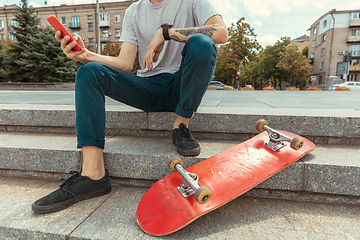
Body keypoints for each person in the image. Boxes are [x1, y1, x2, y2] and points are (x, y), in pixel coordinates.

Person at [32, 0, 228, 214]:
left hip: (181, 85)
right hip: (147, 87)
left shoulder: (192, 2)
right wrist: (86, 55)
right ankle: (93, 174)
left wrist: (166, 33)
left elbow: (220, 33)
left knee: (202, 41)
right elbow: (125, 63)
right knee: (88, 72)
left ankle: (181, 125)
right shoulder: (134, 11)